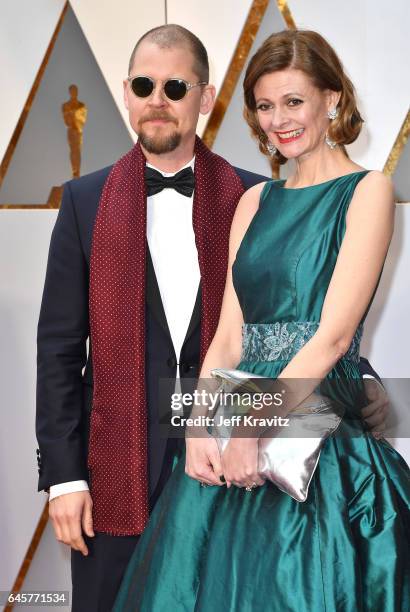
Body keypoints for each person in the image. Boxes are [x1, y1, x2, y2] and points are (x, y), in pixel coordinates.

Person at [35, 25, 386, 611]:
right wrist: (66, 476)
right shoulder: (86, 201)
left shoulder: (260, 192)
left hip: (273, 443)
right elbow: (60, 351)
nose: (157, 100)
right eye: (143, 85)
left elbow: (331, 335)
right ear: (124, 91)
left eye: (175, 86)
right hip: (133, 464)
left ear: (205, 95)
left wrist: (244, 424)